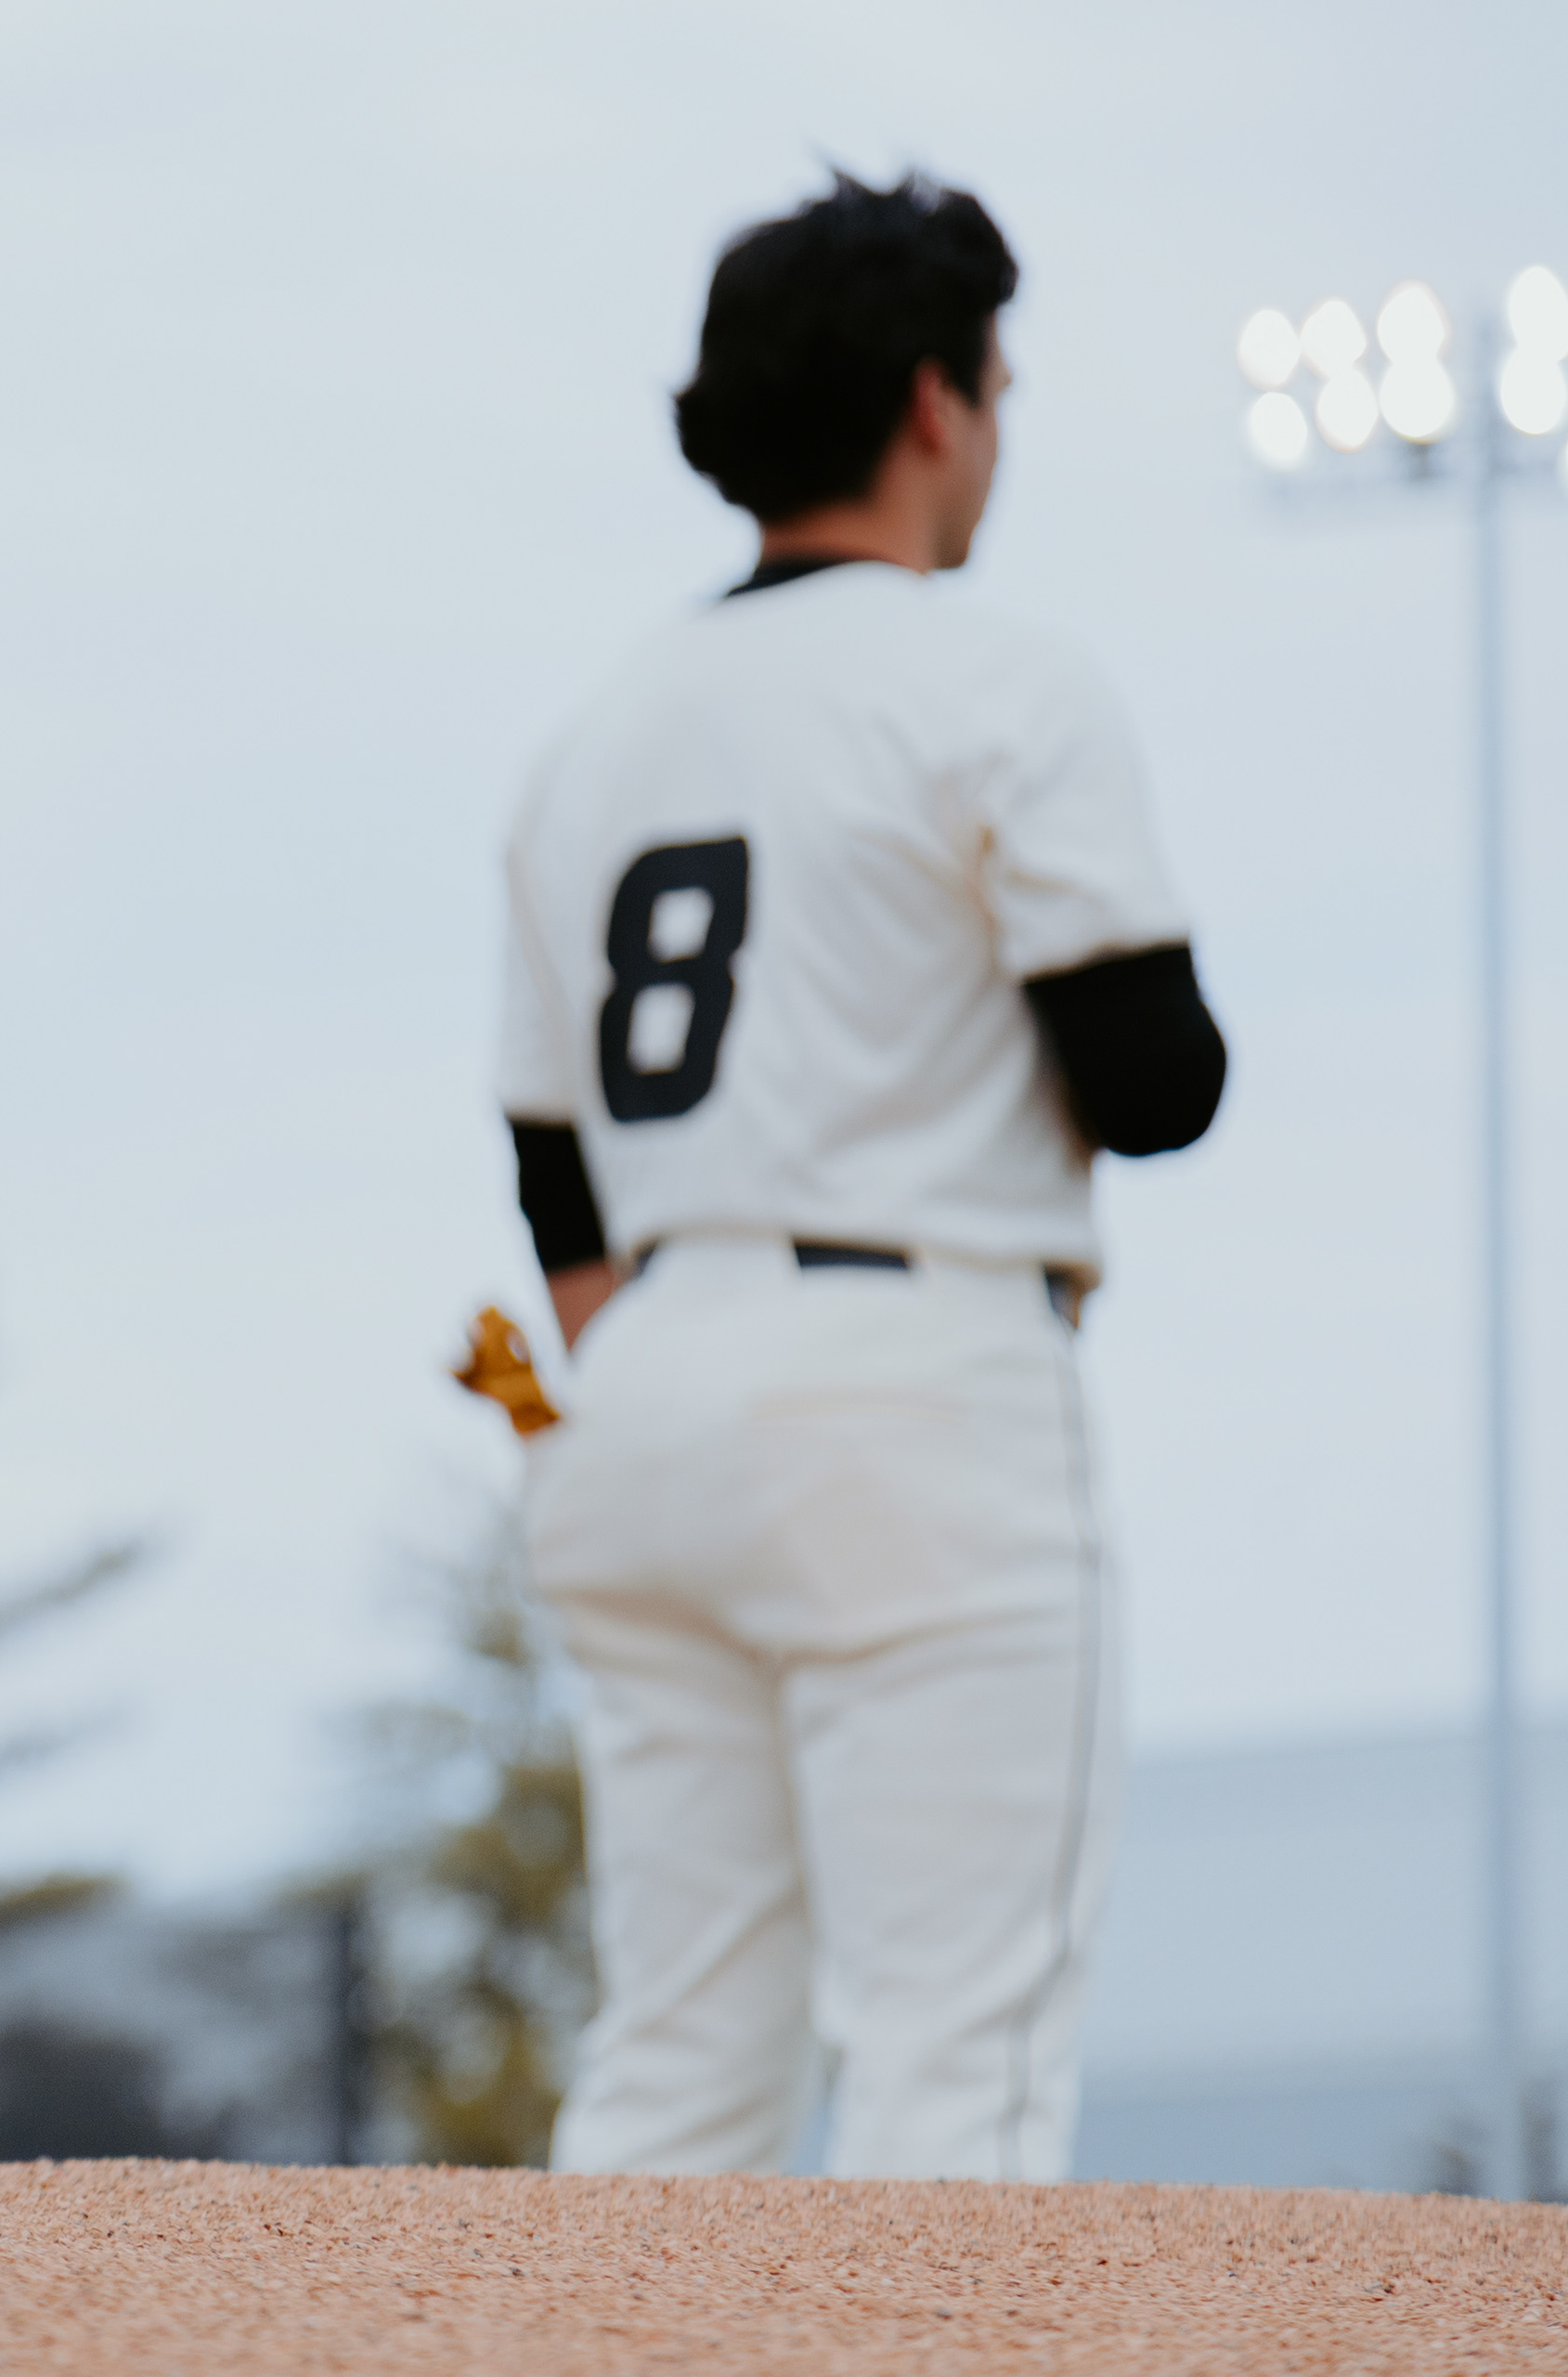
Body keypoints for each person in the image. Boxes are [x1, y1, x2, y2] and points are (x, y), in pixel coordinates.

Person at [492, 172, 1225, 2181]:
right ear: (931, 402)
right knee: (952, 2069)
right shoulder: (991, 674)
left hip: (640, 1381)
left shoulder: (598, 728)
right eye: (994, 381)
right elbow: (1159, 1082)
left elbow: (548, 1162)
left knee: (673, 2070)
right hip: (919, 1372)